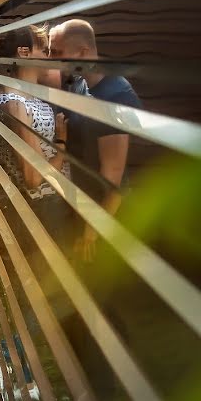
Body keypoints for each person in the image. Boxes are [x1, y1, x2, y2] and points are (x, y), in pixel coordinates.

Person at [0, 26, 71, 401]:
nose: (49, 56)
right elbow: (32, 173)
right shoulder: (15, 101)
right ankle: (3, 360)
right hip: (42, 206)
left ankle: (22, 376)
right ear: (24, 52)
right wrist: (65, 145)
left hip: (48, 205)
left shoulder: (26, 95)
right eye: (42, 48)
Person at [47, 19, 142, 261]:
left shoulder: (115, 96)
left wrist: (91, 233)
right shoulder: (79, 85)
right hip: (84, 209)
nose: (50, 59)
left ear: (83, 53)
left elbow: (113, 178)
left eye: (57, 52)